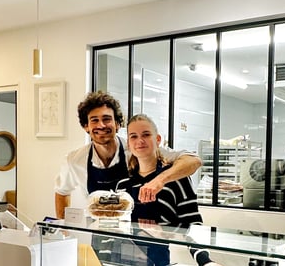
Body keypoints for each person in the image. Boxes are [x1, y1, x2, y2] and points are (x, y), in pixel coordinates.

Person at [54, 91, 201, 218]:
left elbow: (193, 161)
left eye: (107, 119)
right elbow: (62, 192)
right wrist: (64, 229)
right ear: (86, 126)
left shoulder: (135, 148)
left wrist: (159, 181)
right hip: (99, 236)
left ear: (118, 124)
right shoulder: (75, 160)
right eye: (94, 121)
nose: (101, 125)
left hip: (134, 233)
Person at [117, 113, 226, 266]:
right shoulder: (123, 183)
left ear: (158, 139)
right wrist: (106, 262)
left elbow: (192, 223)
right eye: (134, 136)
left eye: (146, 135)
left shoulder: (176, 179)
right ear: (128, 143)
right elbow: (114, 227)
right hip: (122, 263)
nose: (140, 141)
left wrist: (204, 259)